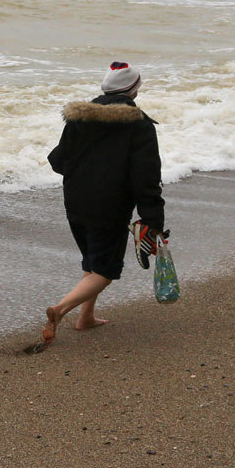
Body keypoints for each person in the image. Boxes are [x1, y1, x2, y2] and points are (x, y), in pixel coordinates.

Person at [41, 61, 166, 344]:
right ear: (134, 91)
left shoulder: (78, 119)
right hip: (110, 206)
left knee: (91, 263)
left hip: (75, 201)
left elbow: (57, 161)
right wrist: (153, 220)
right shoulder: (139, 125)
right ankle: (59, 310)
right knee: (105, 272)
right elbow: (146, 177)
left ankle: (86, 319)